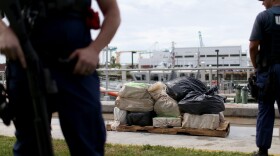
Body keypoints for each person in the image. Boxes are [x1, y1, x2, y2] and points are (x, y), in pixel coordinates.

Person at [0, 0, 120, 155]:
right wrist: (2, 32)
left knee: (88, 144)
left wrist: (94, 50)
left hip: (77, 65)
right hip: (25, 63)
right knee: (30, 145)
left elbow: (112, 12)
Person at [249, 0, 280, 156]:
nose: (262, 3)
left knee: (266, 109)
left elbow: (253, 46)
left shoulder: (263, 17)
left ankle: (262, 152)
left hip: (267, 71)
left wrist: (256, 66)